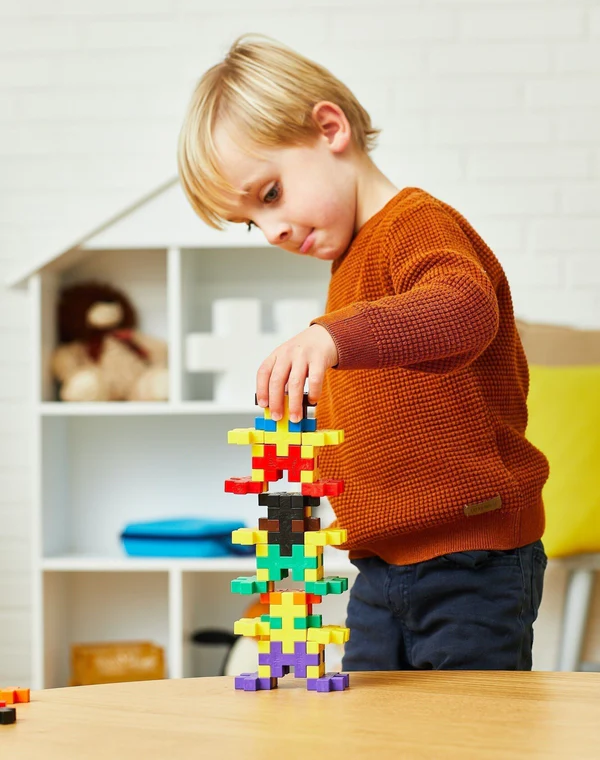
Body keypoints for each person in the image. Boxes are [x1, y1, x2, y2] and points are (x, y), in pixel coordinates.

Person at [178, 34, 549, 671]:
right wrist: (289, 562)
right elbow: (335, 434)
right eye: (251, 222)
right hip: (377, 570)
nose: (272, 231)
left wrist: (333, 335)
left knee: (472, 734)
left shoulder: (415, 224)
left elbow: (464, 310)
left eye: (269, 196)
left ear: (330, 128)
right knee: (373, 733)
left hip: (473, 557)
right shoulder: (349, 273)